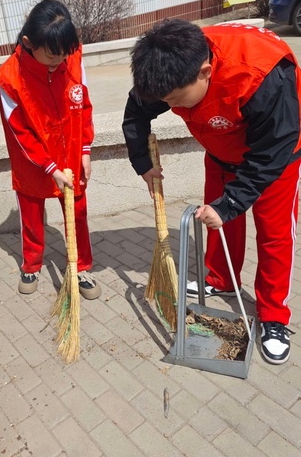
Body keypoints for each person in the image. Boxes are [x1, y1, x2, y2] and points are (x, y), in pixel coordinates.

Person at [122, 19, 301, 365]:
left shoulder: (263, 76)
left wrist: (233, 201)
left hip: (276, 157)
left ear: (205, 71)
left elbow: (272, 150)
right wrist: (143, 163)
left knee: (275, 234)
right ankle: (218, 278)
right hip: (221, 153)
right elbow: (136, 114)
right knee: (216, 220)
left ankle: (274, 314)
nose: (172, 105)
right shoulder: (169, 69)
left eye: (175, 100)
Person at [0, 0, 101, 300]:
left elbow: (84, 102)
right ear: (28, 43)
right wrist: (49, 168)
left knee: (77, 214)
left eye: (64, 55)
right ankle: (31, 264)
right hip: (33, 161)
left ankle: (80, 267)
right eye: (52, 57)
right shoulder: (9, 79)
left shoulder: (73, 57)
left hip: (71, 153)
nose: (60, 62)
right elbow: (20, 133)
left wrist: (86, 149)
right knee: (31, 214)